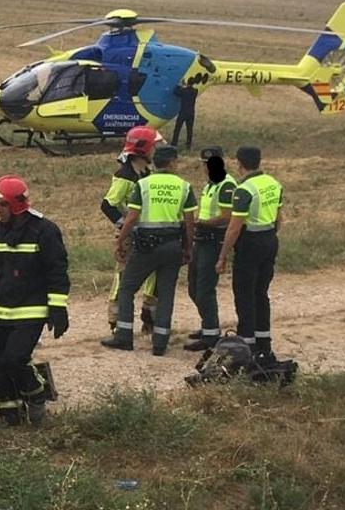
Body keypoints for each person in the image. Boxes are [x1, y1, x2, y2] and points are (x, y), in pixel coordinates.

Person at [0, 176, 69, 427]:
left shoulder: (44, 231)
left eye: (2, 205)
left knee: (15, 360)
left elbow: (57, 271)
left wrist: (58, 307)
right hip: (1, 312)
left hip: (31, 311)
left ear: (16, 204)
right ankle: (9, 414)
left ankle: (37, 394)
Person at [102, 145, 197, 355]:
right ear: (172, 163)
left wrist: (120, 241)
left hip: (145, 246)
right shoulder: (184, 186)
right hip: (173, 246)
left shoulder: (143, 185)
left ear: (155, 163)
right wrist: (188, 247)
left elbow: (132, 217)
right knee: (166, 293)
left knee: (127, 288)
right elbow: (190, 222)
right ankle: (160, 343)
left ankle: (124, 336)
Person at [217, 146, 283, 362]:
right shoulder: (273, 183)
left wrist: (222, 255)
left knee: (244, 293)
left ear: (239, 163)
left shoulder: (244, 189)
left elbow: (234, 228)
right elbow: (279, 219)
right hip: (270, 239)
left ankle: (247, 343)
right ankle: (264, 342)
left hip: (250, 243)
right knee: (261, 293)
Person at [101, 126, 160, 333]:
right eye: (154, 146)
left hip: (148, 232)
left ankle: (149, 317)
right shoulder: (124, 175)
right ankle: (116, 321)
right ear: (144, 149)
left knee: (154, 275)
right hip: (130, 235)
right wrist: (124, 226)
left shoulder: (147, 173)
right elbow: (107, 205)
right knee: (123, 277)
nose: (156, 150)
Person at [184, 147, 237, 351]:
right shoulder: (211, 184)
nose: (207, 167)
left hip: (214, 240)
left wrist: (203, 223)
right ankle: (207, 324)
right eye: (205, 164)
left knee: (204, 288)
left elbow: (228, 215)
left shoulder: (226, 185)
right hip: (202, 239)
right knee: (193, 286)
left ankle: (211, 333)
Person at [170, 84, 198, 150]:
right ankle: (188, 144)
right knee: (189, 130)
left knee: (177, 129)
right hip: (191, 113)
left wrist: (179, 86)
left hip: (183, 112)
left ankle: (174, 143)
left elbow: (175, 92)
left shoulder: (184, 91)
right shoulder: (195, 91)